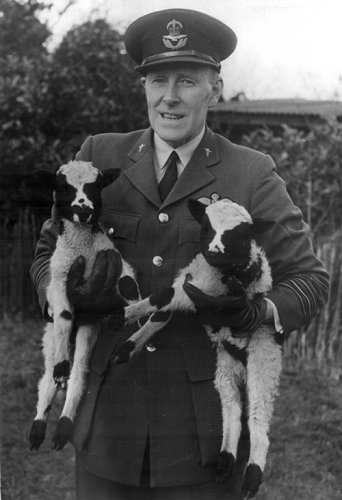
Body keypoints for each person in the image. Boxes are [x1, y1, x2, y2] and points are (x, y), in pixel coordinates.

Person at [30, 8, 329, 500]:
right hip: (106, 424)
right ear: (143, 87)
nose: (169, 97)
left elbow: (309, 279)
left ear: (214, 89)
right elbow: (46, 254)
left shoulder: (250, 173)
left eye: (187, 80)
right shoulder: (98, 156)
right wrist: (63, 293)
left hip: (203, 433)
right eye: (157, 80)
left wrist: (259, 311)